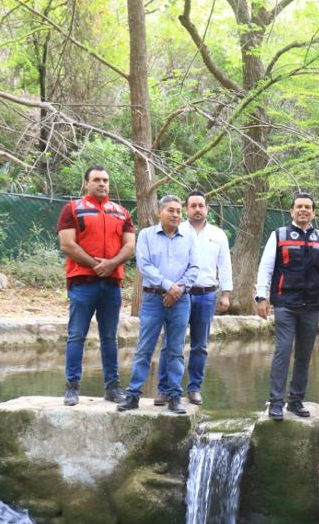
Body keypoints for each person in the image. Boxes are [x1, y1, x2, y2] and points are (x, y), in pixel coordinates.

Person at [255, 193, 319, 421]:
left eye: (308, 207)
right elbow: (266, 268)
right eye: (299, 206)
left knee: (304, 354)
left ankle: (296, 400)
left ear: (313, 212)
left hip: (311, 305)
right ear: (292, 211)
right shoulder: (279, 235)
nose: (303, 210)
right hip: (285, 303)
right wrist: (261, 297)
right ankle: (275, 401)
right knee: (283, 350)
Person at [58, 165, 136, 407]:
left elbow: (130, 246)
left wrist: (111, 264)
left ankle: (112, 388)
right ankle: (72, 388)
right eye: (97, 180)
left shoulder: (122, 213)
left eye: (105, 180)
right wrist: (96, 265)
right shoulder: (72, 209)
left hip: (111, 284)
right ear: (86, 183)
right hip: (83, 283)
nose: (102, 184)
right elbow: (67, 244)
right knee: (76, 335)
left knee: (110, 338)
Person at [118, 196, 198, 414]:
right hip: (153, 298)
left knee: (176, 350)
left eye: (178, 211)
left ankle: (174, 397)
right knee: (144, 348)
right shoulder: (146, 235)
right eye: (170, 210)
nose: (175, 215)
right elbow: (144, 265)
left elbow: (194, 268)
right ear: (159, 212)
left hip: (181, 300)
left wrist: (178, 289)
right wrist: (167, 285)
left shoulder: (188, 237)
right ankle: (133, 395)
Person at [154, 191, 232, 406]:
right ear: (186, 209)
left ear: (207, 209)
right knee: (171, 344)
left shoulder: (218, 234)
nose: (197, 209)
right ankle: (165, 389)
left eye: (201, 205)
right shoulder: (176, 231)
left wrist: (226, 294)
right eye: (193, 206)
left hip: (206, 295)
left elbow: (224, 264)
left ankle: (194, 388)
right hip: (179, 295)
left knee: (200, 345)